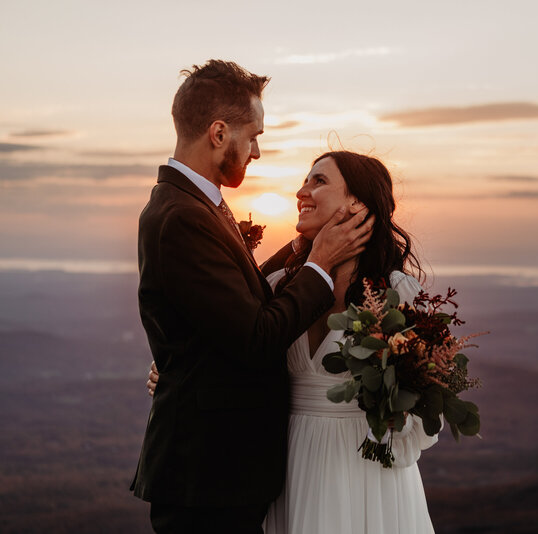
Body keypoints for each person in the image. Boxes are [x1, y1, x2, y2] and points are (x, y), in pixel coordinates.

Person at [131, 60, 373, 534]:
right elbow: (259, 335)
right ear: (219, 133)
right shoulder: (182, 216)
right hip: (207, 476)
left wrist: (308, 245)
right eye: (254, 135)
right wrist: (320, 263)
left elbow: (235, 303)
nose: (258, 152)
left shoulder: (199, 205)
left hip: (225, 474)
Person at [148, 151, 438, 533]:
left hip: (366, 471)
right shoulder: (277, 286)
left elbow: (425, 408)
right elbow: (241, 343)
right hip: (288, 464)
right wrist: (177, 371)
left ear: (356, 202)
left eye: (318, 181)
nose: (301, 191)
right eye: (305, 179)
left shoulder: (399, 294)